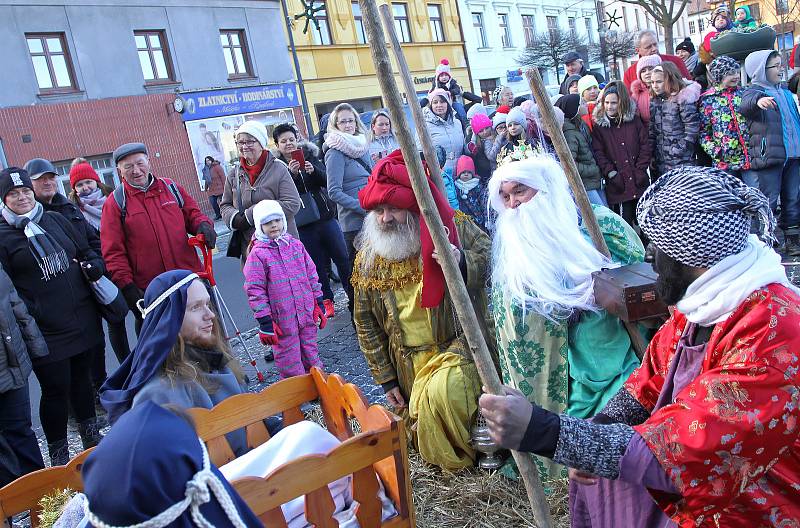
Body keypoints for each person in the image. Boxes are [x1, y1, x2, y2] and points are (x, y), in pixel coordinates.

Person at [479, 166, 800, 527]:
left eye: (660, 247)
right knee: (600, 476)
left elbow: (691, 444)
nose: (649, 257)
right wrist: (592, 436)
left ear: (693, 256)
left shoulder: (775, 333)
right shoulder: (705, 304)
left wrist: (545, 432)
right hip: (699, 480)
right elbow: (649, 382)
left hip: (754, 499)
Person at [487, 153, 644, 480]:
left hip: (600, 345)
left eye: (520, 191)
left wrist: (604, 283)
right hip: (549, 360)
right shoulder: (513, 243)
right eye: (506, 196)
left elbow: (639, 271)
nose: (513, 204)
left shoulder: (597, 224)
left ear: (544, 189)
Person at [351, 150, 490, 470]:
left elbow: (488, 256)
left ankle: (469, 464)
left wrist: (460, 262)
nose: (385, 219)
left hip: (457, 349)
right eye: (379, 211)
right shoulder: (369, 257)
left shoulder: (453, 227)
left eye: (393, 209)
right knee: (416, 433)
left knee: (444, 394)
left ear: (414, 208)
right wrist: (386, 379)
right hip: (408, 365)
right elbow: (365, 322)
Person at [0, 167, 103, 466]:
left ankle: (91, 444)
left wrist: (94, 266)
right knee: (56, 390)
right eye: (13, 194)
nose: (22, 198)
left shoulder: (55, 218)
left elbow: (88, 249)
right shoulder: (4, 236)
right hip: (44, 329)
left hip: (81, 317)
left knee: (84, 382)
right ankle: (59, 458)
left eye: (25, 192)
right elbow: (6, 289)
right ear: (4, 199)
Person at [102, 142, 216, 334]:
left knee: (206, 334)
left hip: (189, 280)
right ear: (119, 170)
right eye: (128, 167)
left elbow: (193, 214)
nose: (136, 170)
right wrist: (128, 287)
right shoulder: (115, 203)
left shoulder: (171, 188)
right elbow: (113, 252)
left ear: (148, 161)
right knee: (168, 347)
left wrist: (202, 225)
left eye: (140, 163)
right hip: (153, 289)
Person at [25, 158, 115, 391]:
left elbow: (92, 243)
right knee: (66, 359)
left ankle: (99, 389)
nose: (48, 182)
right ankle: (78, 406)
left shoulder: (68, 208)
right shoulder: (26, 217)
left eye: (51, 177)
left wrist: (97, 264)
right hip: (53, 301)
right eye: (40, 179)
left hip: (85, 290)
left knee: (96, 343)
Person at [272, 123, 350, 319]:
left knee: (342, 256)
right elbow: (283, 194)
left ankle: (353, 293)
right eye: (284, 141)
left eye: (291, 139)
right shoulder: (277, 167)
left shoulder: (310, 154)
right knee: (315, 266)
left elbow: (327, 181)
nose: (289, 144)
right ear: (277, 145)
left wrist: (312, 171)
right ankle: (326, 301)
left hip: (325, 216)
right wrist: (293, 176)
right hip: (303, 224)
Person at [244, 200, 327, 380]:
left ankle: (319, 387)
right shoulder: (258, 254)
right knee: (289, 360)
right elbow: (255, 289)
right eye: (267, 223)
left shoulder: (296, 246)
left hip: (305, 313)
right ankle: (297, 394)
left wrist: (318, 301)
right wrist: (265, 321)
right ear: (260, 226)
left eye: (277, 220)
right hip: (282, 320)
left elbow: (311, 274)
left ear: (283, 221)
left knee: (311, 351)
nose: (274, 225)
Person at [67, 160, 132, 363]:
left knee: (142, 313)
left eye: (88, 182)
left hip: (125, 265)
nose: (85, 188)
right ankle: (127, 365)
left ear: (97, 181)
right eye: (79, 185)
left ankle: (148, 359)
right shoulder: (73, 211)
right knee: (116, 321)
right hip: (102, 274)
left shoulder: (114, 199)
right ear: (74, 189)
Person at [742, 50, 800, 254]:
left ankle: (792, 239)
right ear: (760, 71)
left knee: (793, 198)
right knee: (768, 199)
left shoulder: (784, 91)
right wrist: (758, 102)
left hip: (794, 153)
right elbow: (746, 105)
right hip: (771, 157)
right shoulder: (755, 92)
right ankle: (765, 241)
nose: (780, 69)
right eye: (775, 66)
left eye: (780, 64)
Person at [220, 121, 302, 262]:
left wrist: (251, 214)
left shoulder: (278, 168)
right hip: (252, 249)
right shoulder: (234, 173)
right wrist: (235, 219)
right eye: (240, 142)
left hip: (282, 246)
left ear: (261, 143)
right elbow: (225, 205)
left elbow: (293, 203)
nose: (244, 146)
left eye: (250, 142)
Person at [0, 263, 48, 481]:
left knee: (22, 431)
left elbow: (14, 303)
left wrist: (36, 345)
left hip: (12, 364)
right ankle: (8, 505)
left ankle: (42, 497)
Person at [324, 103, 373, 303]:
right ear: (335, 125)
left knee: (376, 270)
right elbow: (333, 191)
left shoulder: (362, 145)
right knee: (360, 274)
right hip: (354, 222)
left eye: (350, 120)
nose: (347, 125)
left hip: (373, 216)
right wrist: (361, 207)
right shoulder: (334, 152)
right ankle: (360, 319)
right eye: (342, 121)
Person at [591, 82, 652, 228]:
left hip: (639, 181)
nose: (610, 106)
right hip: (618, 185)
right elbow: (599, 153)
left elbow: (645, 145)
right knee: (625, 225)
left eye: (614, 102)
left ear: (621, 103)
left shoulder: (634, 121)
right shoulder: (600, 127)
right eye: (607, 102)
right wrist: (612, 173)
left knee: (646, 223)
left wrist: (640, 169)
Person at [699, 56, 754, 184]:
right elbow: (703, 132)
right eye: (730, 74)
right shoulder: (708, 100)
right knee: (729, 198)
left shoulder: (744, 93)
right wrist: (716, 152)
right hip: (724, 162)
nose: (736, 76)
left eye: (736, 72)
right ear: (719, 76)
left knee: (753, 195)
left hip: (748, 158)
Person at [649, 63, 702, 176]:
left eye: (659, 82)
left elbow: (692, 127)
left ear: (670, 79)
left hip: (681, 160)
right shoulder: (655, 101)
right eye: (652, 82)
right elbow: (652, 131)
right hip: (661, 160)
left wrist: (680, 149)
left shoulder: (683, 98)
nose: (655, 86)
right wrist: (652, 154)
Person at [555, 95, 606, 206]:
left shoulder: (581, 125)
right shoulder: (569, 133)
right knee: (601, 216)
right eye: (582, 103)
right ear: (574, 108)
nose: (585, 105)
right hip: (585, 183)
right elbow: (569, 164)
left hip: (593, 180)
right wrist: (593, 169)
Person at [623, 29, 692, 89]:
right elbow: (628, 101)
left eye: (655, 44)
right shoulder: (629, 74)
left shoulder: (675, 61)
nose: (654, 49)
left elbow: (689, 86)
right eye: (648, 47)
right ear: (638, 50)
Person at [423, 88, 466, 174]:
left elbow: (463, 148)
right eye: (435, 102)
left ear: (448, 103)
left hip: (460, 174)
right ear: (431, 105)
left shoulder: (457, 123)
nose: (439, 105)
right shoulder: (424, 126)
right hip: (440, 175)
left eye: (442, 101)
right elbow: (421, 153)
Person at [454, 155, 487, 231]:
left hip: (477, 218)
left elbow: (482, 202)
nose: (466, 174)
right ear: (459, 174)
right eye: (463, 172)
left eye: (469, 172)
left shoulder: (477, 185)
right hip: (462, 218)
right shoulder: (456, 186)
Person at [630, 54, 661, 123]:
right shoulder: (636, 94)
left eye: (650, 69)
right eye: (643, 71)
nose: (647, 73)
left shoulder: (664, 89)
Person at [468, 113, 495, 180]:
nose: (485, 132)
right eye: (481, 131)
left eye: (487, 128)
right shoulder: (476, 148)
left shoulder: (498, 138)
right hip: (485, 178)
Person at [201, 156, 226, 220]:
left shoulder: (217, 167)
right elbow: (206, 180)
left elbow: (223, 177)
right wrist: (206, 188)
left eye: (209, 160)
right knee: (213, 202)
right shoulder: (206, 169)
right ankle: (218, 214)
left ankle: (226, 213)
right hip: (212, 189)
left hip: (220, 188)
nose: (208, 162)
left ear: (212, 160)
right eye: (206, 161)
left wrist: (225, 187)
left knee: (223, 202)